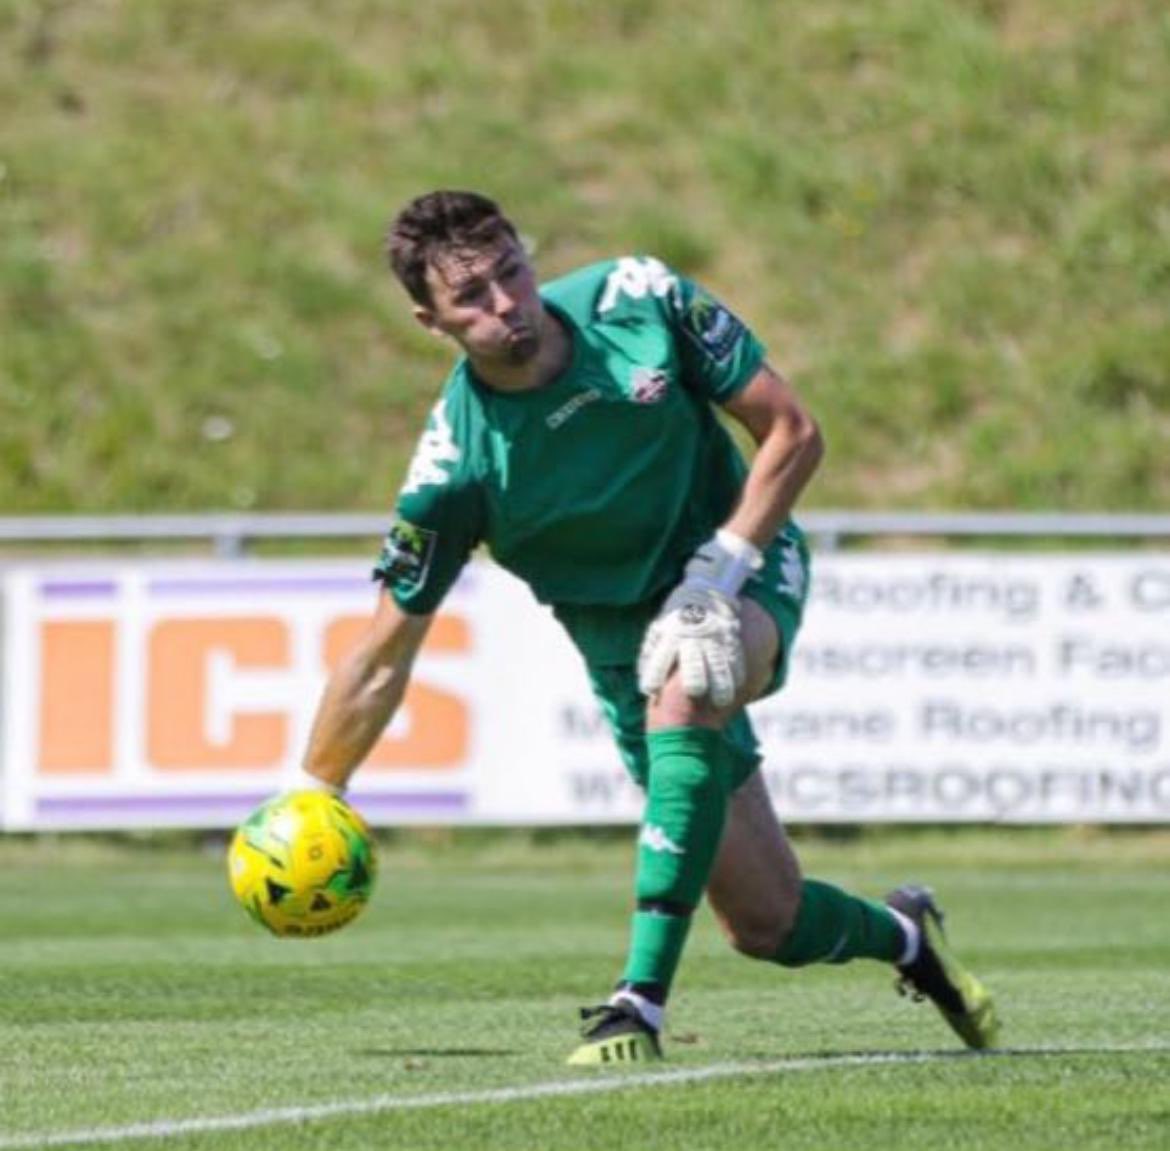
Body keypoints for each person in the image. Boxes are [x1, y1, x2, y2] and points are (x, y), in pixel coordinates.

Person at [294, 189, 999, 1064]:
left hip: (741, 553)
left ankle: (639, 1003)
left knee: (689, 681)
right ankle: (907, 938)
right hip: (620, 643)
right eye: (471, 297)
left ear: (527, 252)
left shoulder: (640, 297)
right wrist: (316, 792)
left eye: (511, 270)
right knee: (767, 922)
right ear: (428, 321)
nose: (507, 302)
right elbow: (385, 649)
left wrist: (724, 562)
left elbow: (792, 429)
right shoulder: (454, 471)